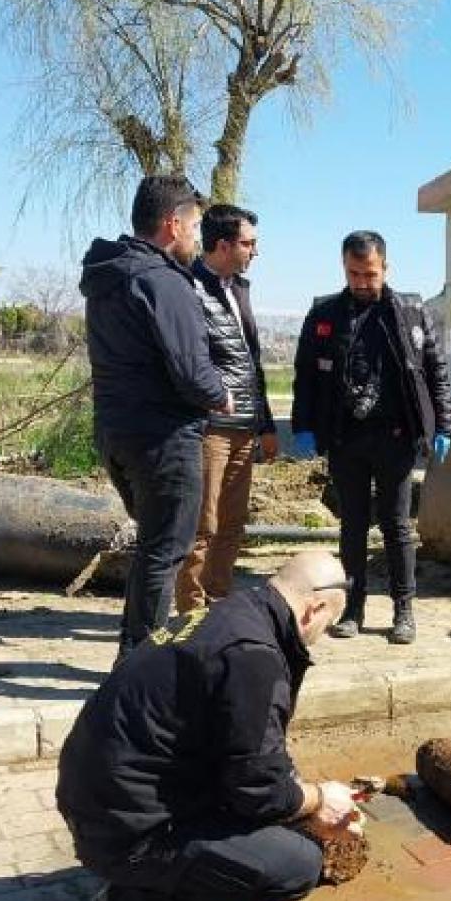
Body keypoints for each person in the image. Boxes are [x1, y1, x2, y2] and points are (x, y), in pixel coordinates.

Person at [57, 550, 363, 901]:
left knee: (277, 828)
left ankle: (159, 875)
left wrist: (295, 798)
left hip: (101, 802)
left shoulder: (232, 614)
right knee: (294, 867)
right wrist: (321, 800)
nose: (322, 635)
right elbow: (260, 791)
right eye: (327, 624)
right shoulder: (254, 656)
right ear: (315, 608)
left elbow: (248, 758)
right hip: (122, 831)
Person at [80, 175, 230, 657]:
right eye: (193, 226)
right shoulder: (162, 281)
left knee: (154, 547)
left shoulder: (109, 274)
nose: (196, 238)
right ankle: (141, 662)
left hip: (115, 430)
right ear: (171, 223)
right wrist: (219, 393)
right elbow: (190, 370)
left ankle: (134, 652)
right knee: (166, 551)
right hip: (163, 436)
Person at [290, 230, 451, 646]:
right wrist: (303, 424)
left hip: (396, 439)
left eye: (371, 273)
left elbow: (435, 374)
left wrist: (444, 426)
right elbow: (305, 377)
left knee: (397, 526)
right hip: (347, 439)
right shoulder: (325, 315)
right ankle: (352, 608)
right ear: (344, 268)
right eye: (354, 273)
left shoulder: (410, 313)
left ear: (386, 267)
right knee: (353, 527)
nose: (363, 282)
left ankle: (404, 610)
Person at [175, 204, 279, 613]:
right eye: (249, 243)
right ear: (223, 244)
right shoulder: (188, 289)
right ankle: (192, 613)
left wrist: (265, 424)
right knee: (203, 524)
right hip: (209, 428)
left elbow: (250, 364)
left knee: (232, 526)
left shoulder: (238, 289)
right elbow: (188, 359)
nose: (255, 252)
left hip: (243, 428)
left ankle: (217, 608)